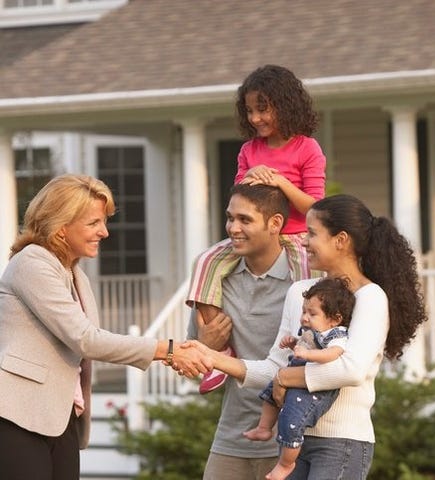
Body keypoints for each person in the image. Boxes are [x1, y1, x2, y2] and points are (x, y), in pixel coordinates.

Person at [185, 193, 428, 480]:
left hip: (343, 444)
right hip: (295, 442)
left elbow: (351, 369)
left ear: (341, 240)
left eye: (312, 234)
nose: (303, 241)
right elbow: (275, 366)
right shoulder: (300, 292)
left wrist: (285, 378)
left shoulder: (370, 297)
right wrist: (211, 357)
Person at [0, 174, 211, 480]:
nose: (104, 232)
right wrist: (167, 350)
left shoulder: (75, 274)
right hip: (18, 415)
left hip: (59, 416)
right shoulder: (31, 263)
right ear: (61, 227)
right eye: (94, 223)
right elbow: (86, 340)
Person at [187, 64, 326, 394]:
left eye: (263, 109)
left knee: (309, 280)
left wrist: (279, 182)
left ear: (285, 105)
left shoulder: (307, 148)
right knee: (206, 261)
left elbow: (316, 207)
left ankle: (305, 350)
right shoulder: (249, 150)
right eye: (250, 110)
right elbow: (240, 197)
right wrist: (253, 175)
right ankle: (216, 349)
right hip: (255, 234)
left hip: (293, 236)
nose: (255, 118)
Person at [187, 183, 310, 480]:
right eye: (230, 218)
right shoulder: (216, 284)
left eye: (245, 219)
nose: (233, 228)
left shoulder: (303, 285)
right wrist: (205, 346)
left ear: (275, 224)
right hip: (232, 438)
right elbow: (191, 363)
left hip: (295, 441)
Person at [243, 277, 355, 480]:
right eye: (304, 311)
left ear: (335, 318)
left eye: (312, 313)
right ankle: (263, 428)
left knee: (292, 421)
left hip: (314, 387)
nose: (304, 318)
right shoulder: (310, 330)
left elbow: (333, 354)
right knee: (269, 395)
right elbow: (303, 343)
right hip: (296, 377)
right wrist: (292, 341)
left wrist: (308, 355)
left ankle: (286, 464)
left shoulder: (335, 334)